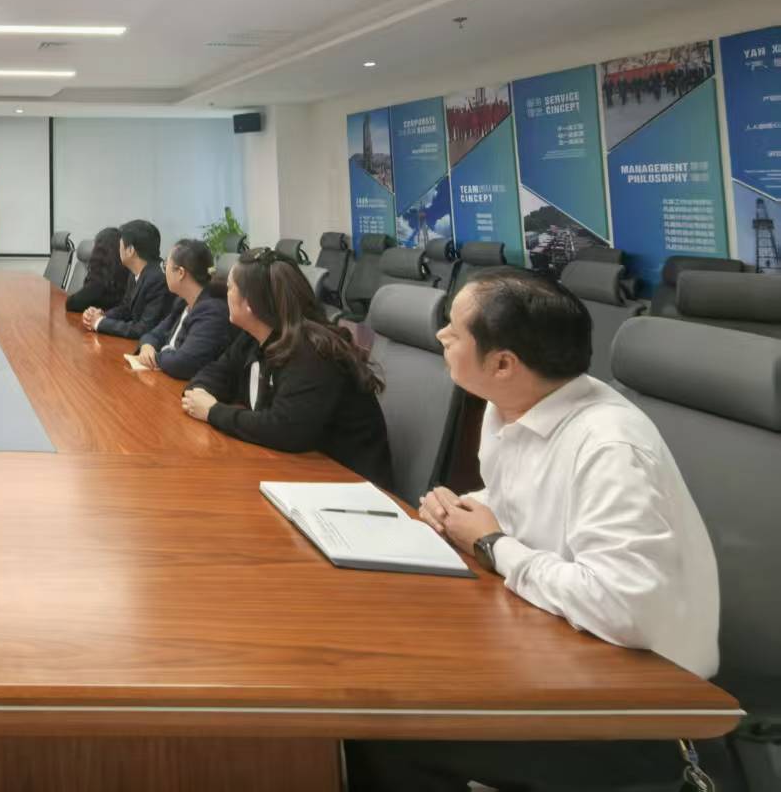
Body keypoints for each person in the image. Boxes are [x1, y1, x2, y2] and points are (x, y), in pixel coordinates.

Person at [347, 269, 720, 792]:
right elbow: (520, 498)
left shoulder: (610, 448)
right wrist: (462, 508)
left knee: (384, 724)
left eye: (455, 329)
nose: (441, 335)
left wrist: (493, 544)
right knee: (371, 670)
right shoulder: (512, 409)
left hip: (640, 703)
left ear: (504, 364)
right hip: (557, 645)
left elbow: (623, 607)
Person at [181, 249, 393, 489]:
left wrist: (213, 411)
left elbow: (283, 429)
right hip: (296, 473)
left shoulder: (312, 353)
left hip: (350, 487)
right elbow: (214, 373)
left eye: (230, 288)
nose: (224, 295)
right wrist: (200, 394)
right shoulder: (253, 337)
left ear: (249, 304)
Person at [134, 239, 233, 381]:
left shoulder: (212, 311)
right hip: (166, 378)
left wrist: (156, 357)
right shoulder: (183, 301)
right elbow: (154, 334)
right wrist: (147, 346)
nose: (164, 272)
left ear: (180, 273)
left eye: (166, 266)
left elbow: (183, 363)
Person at [80, 219, 173, 339]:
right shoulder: (136, 271)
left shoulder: (158, 280)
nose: (118, 248)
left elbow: (144, 329)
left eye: (120, 244)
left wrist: (99, 323)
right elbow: (126, 308)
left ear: (130, 251)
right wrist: (101, 315)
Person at [64, 226, 127, 315]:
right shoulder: (128, 272)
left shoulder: (100, 278)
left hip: (100, 321)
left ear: (99, 251)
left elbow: (73, 303)